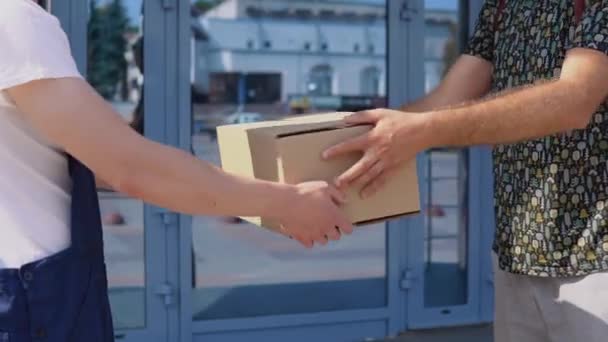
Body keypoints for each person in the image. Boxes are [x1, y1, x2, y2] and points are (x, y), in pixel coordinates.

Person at [0, 0, 351, 340]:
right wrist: (288, 203)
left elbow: (87, 159)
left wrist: (246, 185)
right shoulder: (15, 19)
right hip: (32, 300)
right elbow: (128, 166)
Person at [324, 1, 608, 341]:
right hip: (516, 257)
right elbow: (444, 100)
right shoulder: (503, 5)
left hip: (596, 263)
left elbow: (574, 101)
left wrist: (424, 131)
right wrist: (336, 150)